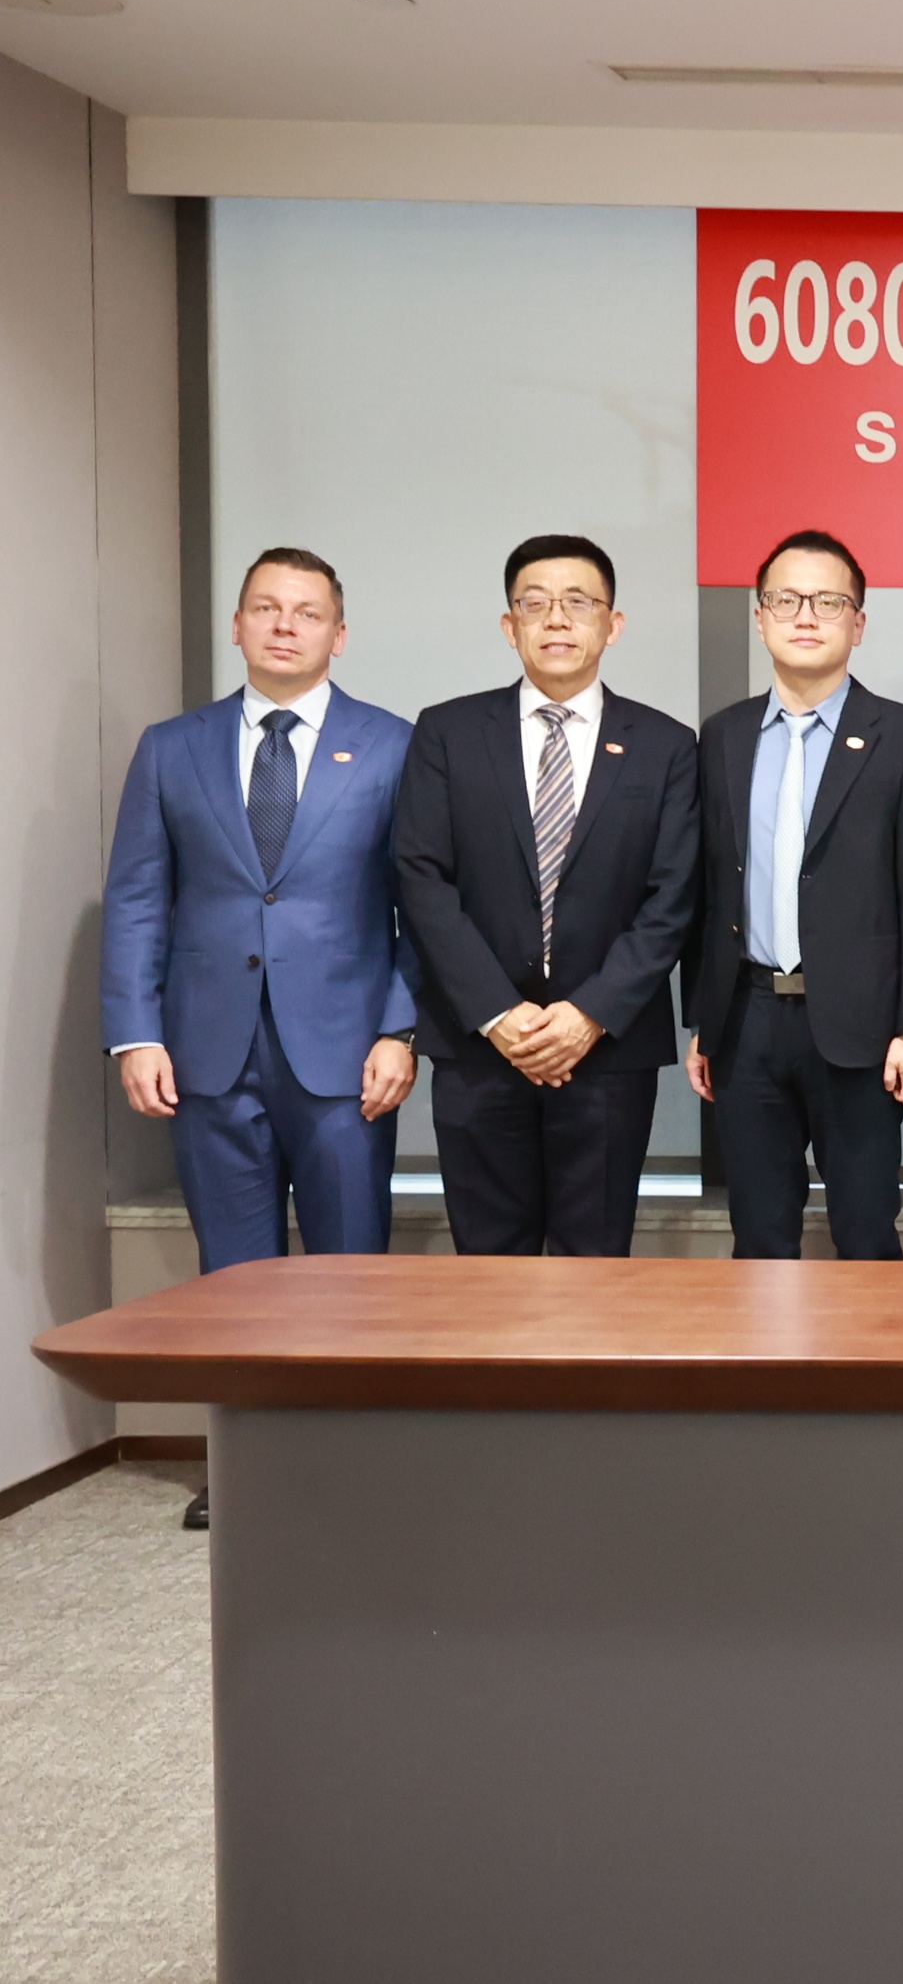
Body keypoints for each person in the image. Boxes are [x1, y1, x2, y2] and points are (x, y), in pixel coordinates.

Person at [104, 549, 416, 1532]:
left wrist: (401, 1027)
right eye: (267, 608)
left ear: (339, 634)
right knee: (232, 1273)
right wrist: (134, 1033)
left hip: (345, 1052)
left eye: (307, 612)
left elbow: (423, 909)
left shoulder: (395, 746)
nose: (286, 626)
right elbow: (137, 898)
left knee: (348, 1265)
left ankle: (347, 1467)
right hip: (207, 1048)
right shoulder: (172, 747)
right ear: (236, 624)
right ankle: (244, 1470)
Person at [393, 535, 698, 1258]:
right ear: (510, 626)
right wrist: (498, 1015)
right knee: (488, 1266)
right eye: (535, 604)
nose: (556, 619)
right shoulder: (448, 732)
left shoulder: (665, 744)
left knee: (593, 1264)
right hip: (479, 1046)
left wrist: (588, 1015)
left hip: (606, 1051)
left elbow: (674, 895)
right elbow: (421, 878)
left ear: (613, 624)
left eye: (578, 603)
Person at [684, 532, 903, 1260]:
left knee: (865, 1234)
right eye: (786, 600)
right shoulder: (723, 736)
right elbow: (708, 889)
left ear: (858, 623)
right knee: (758, 1235)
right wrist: (704, 1019)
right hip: (746, 1023)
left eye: (828, 601)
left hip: (861, 1031)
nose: (805, 616)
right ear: (759, 617)